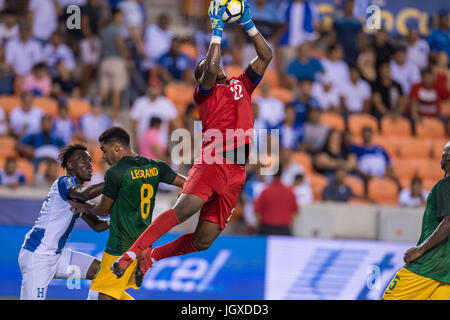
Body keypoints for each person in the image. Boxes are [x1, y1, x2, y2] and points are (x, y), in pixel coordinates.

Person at [110, 0, 272, 285]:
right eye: (206, 67)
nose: (215, 67)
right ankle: (130, 255)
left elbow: (266, 55)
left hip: (236, 173)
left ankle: (152, 256)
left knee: (203, 240)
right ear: (201, 77)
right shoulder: (205, 93)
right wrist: (217, 29)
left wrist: (248, 24)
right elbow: (210, 67)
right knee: (182, 211)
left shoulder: (241, 84)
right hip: (214, 162)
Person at [67, 127, 186, 300]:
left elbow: (103, 210)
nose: (104, 157)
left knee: (102, 296)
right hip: (143, 245)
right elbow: (188, 184)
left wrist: (83, 207)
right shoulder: (155, 166)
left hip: (121, 246)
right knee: (110, 293)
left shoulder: (116, 172)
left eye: (105, 151)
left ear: (116, 147)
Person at [18, 144, 109, 300]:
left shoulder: (77, 197)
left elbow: (98, 225)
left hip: (57, 257)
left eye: (89, 160)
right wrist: (114, 181)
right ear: (70, 165)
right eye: (83, 160)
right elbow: (84, 194)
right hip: (38, 256)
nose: (89, 164)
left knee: (102, 272)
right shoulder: (64, 182)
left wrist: (119, 219)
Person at [383, 141, 450, 300]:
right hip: (446, 270)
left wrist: (420, 249)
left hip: (430, 264)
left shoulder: (445, 185)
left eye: (443, 152)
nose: (440, 156)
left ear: (448, 157)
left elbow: (449, 221)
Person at [253, 166, 299, 236]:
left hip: (267, 229)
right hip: (284, 229)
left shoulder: (265, 191)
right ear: (282, 174)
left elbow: (257, 212)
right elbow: (295, 211)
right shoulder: (290, 191)